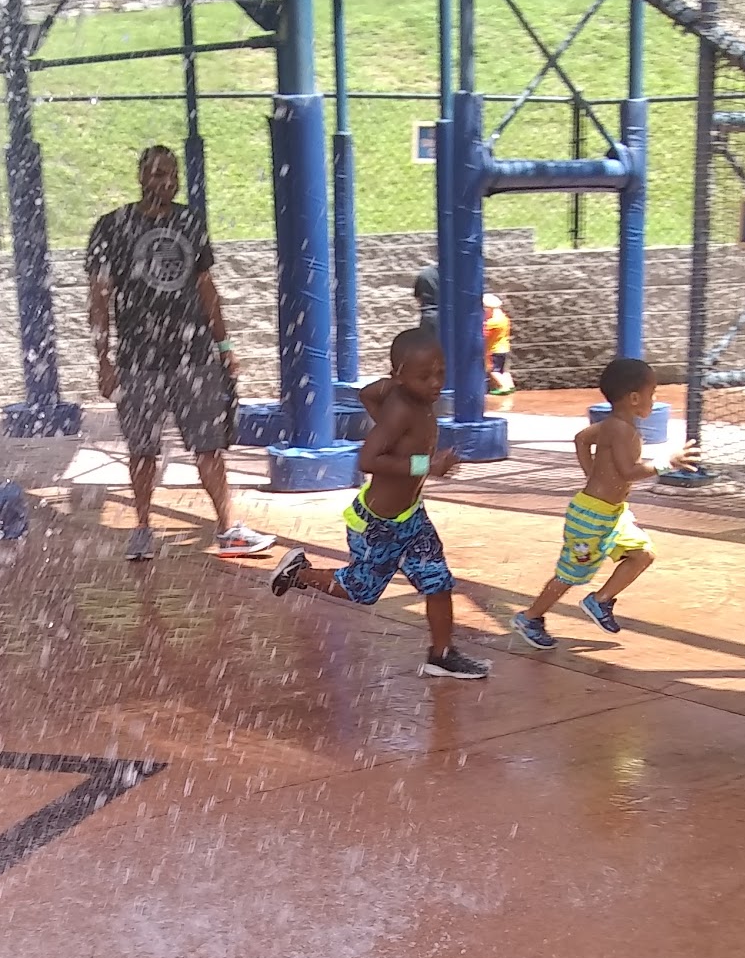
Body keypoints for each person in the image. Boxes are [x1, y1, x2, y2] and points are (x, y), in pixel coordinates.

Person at [269, 328, 491, 679]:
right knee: (362, 590)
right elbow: (368, 460)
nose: (436, 383)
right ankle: (299, 573)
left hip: (411, 517)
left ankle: (442, 654)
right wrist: (426, 465)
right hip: (379, 525)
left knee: (438, 581)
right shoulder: (400, 411)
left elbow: (367, 393)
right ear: (400, 375)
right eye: (425, 376)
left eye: (440, 373)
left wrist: (393, 390)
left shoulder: (407, 397)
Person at [86, 145, 272, 562]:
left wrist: (224, 346)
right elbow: (99, 297)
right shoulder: (111, 227)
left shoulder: (189, 221)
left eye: (172, 175)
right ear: (140, 176)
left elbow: (206, 287)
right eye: (157, 174)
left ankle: (228, 529)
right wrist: (104, 361)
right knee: (142, 449)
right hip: (139, 359)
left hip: (194, 355)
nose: (167, 183)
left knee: (209, 445)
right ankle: (142, 529)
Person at [511, 356, 697, 650]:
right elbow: (628, 472)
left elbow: (580, 439)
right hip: (591, 517)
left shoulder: (612, 424)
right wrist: (666, 462)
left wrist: (592, 476)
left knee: (643, 554)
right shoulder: (622, 430)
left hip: (612, 513)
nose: (655, 399)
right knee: (571, 574)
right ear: (634, 398)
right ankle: (530, 617)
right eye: (652, 393)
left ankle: (600, 600)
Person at [483, 290, 515, 395]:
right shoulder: (504, 318)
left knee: (493, 370)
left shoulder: (492, 322)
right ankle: (510, 386)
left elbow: (483, 333)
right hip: (505, 347)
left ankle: (503, 387)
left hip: (495, 349)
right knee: (503, 370)